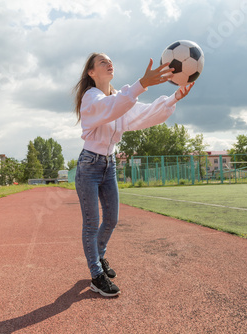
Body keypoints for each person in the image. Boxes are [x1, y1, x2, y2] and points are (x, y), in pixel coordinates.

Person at [73, 52, 195, 297]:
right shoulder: (91, 98)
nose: (109, 63)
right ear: (91, 72)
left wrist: (173, 98)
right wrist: (142, 84)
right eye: (102, 62)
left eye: (110, 61)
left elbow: (142, 113)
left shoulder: (119, 98)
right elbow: (109, 109)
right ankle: (96, 275)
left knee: (112, 219)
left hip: (109, 165)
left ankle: (99, 257)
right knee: (91, 223)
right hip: (89, 165)